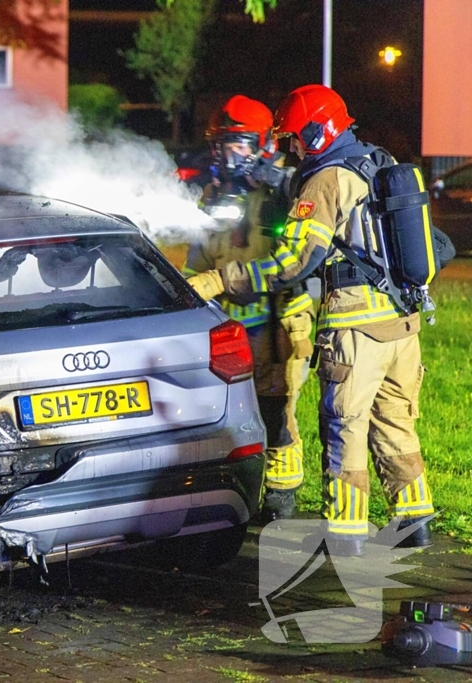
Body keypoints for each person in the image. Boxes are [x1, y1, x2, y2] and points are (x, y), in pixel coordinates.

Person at [186, 85, 435, 556]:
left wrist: (222, 280)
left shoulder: (325, 180)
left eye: (297, 138)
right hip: (402, 322)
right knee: (395, 425)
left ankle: (344, 535)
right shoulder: (374, 161)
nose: (292, 148)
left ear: (318, 132)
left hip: (357, 329)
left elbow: (293, 263)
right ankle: (415, 520)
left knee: (345, 426)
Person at [184, 95, 314, 523]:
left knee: (275, 410)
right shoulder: (212, 196)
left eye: (237, 143)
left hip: (276, 321)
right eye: (221, 144)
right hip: (228, 326)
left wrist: (275, 182)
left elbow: (291, 260)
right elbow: (200, 259)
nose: (226, 153)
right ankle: (235, 484)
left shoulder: (284, 192)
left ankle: (281, 492)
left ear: (261, 144)